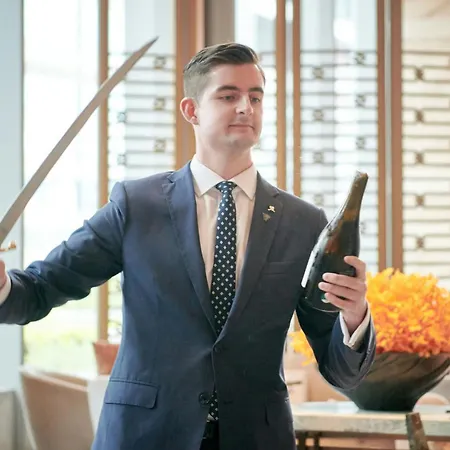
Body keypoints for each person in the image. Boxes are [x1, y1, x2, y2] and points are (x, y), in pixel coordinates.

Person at [0, 42, 375, 450]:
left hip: (255, 437)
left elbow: (340, 370)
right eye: (228, 96)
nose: (245, 107)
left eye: (255, 97)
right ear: (191, 110)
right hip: (145, 435)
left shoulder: (303, 222)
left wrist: (354, 315)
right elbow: (40, 288)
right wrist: (3, 286)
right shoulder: (135, 206)